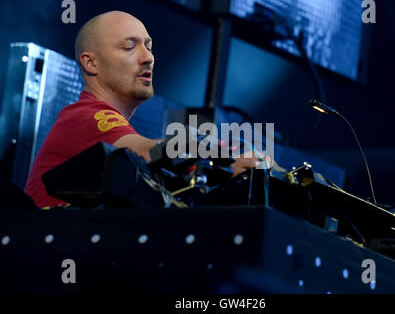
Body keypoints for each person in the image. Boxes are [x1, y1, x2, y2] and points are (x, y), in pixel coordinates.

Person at [24, 11, 265, 208]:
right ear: (91, 63)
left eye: (148, 46)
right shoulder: (86, 115)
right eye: (130, 47)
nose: (148, 57)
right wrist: (224, 161)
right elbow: (147, 153)